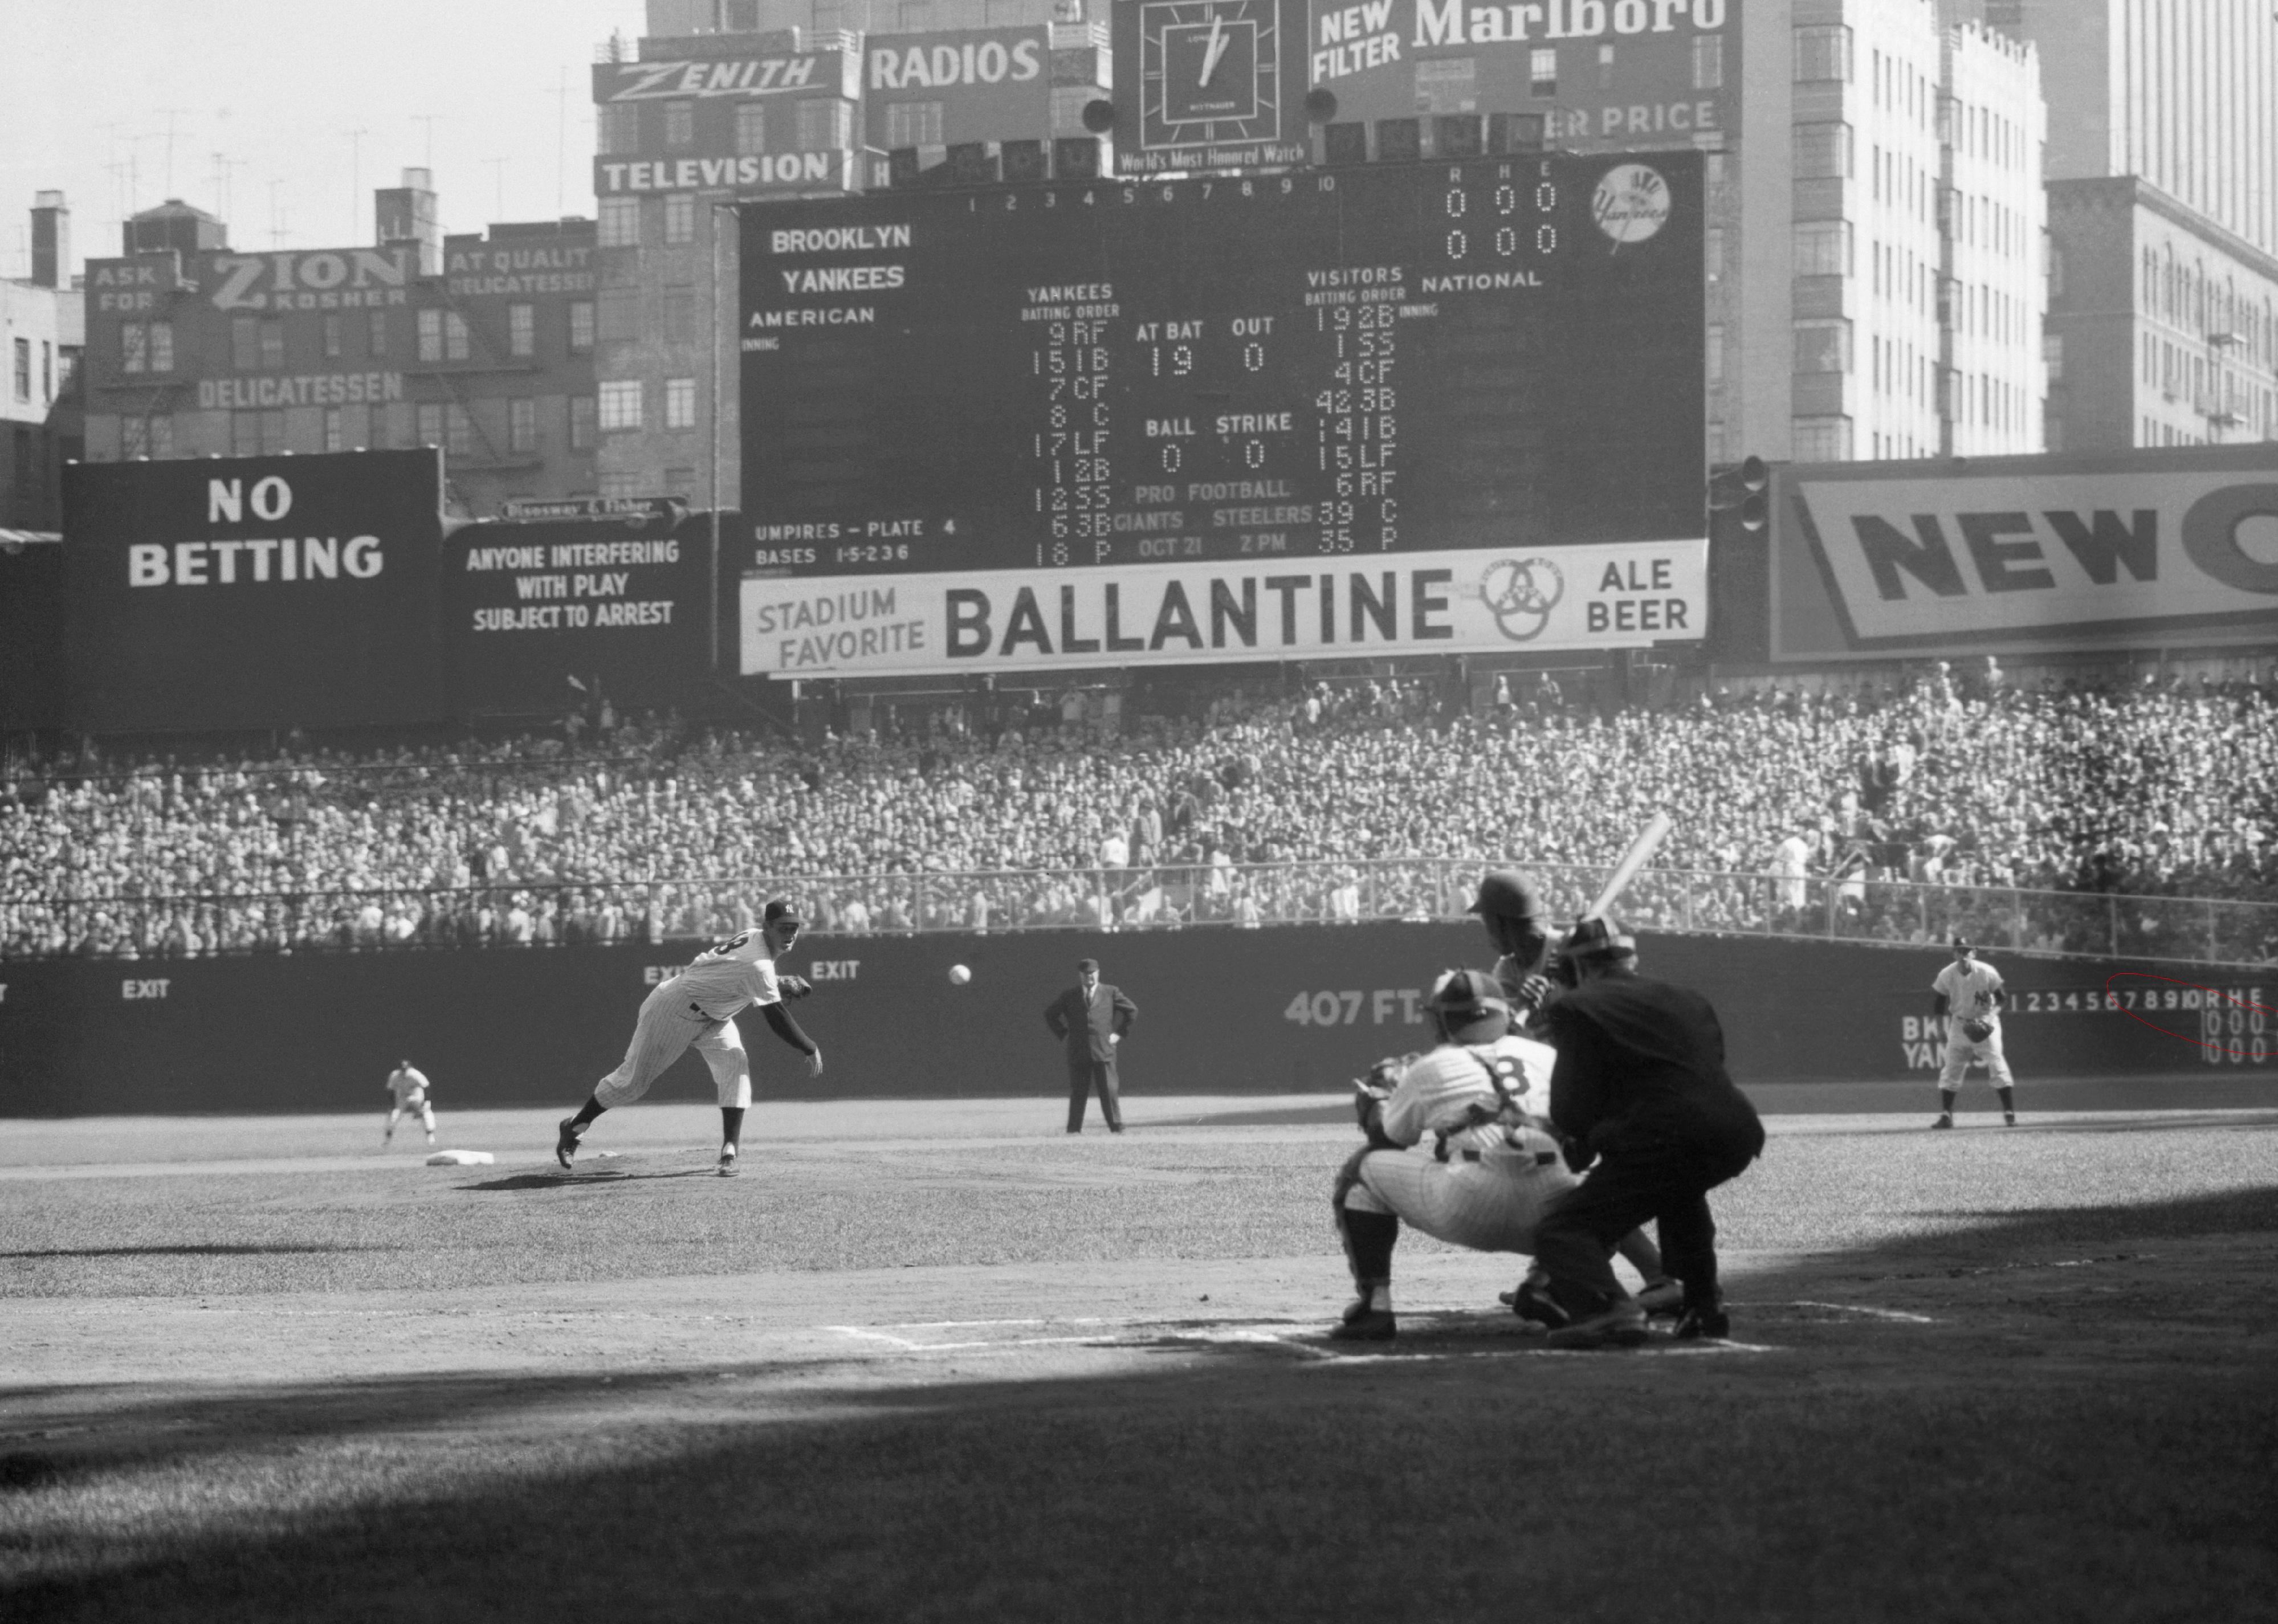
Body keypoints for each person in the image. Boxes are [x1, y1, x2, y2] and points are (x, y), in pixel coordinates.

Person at [1529, 917, 1766, 1349]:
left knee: (1562, 1231)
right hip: (1735, 1130)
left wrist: (1580, 1138)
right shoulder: (1688, 998)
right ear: (1630, 958)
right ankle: (1703, 1307)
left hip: (1663, 1134)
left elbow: (1571, 1109)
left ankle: (1610, 1310)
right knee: (1679, 1193)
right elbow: (1701, 1071)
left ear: (1574, 969)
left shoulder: (1575, 1007)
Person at [1464, 869, 1680, 1321]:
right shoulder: (1508, 970)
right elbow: (1499, 1040)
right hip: (1557, 1092)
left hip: (1604, 1084)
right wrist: (1521, 1008)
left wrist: (1570, 989)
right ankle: (1556, 1275)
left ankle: (1639, 1276)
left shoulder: (1571, 950)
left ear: (1505, 922)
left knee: (1565, 1185)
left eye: (1487, 920)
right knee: (1555, 1183)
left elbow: (1614, 1002)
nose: (1484, 931)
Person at [1329, 970, 1579, 1341]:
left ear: (1443, 1019)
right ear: (1503, 1014)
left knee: (1362, 1172)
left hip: (1467, 1205)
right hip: (1553, 1215)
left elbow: (1389, 1142)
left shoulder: (1430, 1065)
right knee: (1608, 1192)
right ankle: (1545, 1283)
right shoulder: (1547, 1056)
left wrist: (1378, 1103)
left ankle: (1375, 1306)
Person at [555, 899, 821, 1177]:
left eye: (795, 928)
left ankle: (730, 1150)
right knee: (632, 1083)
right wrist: (809, 1047)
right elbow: (776, 1016)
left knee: (735, 1063)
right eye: (783, 928)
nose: (790, 934)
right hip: (674, 1010)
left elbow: (730, 974)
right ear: (767, 926)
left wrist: (776, 984)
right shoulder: (758, 963)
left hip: (714, 1018)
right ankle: (575, 1127)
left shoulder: (755, 939)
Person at [1044, 957, 1136, 1134]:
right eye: (1086, 974)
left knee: (1109, 1092)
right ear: (1081, 975)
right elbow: (1050, 1014)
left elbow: (1132, 1011)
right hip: (1079, 1051)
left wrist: (1119, 1034)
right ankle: (1074, 1129)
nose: (1090, 977)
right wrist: (1064, 1034)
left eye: (1093, 973)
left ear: (1098, 973)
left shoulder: (1110, 992)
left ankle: (1116, 1127)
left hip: (1103, 1050)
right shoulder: (1070, 995)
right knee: (1079, 1092)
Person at [1930, 936, 2015, 1128]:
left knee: (1997, 1064)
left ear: (1974, 953)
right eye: (1959, 951)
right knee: (1951, 1068)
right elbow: (1939, 1003)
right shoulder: (1947, 974)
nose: (1963, 955)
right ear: (1954, 953)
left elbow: (2002, 999)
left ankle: (2009, 1113)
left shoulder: (1986, 972)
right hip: (1959, 1025)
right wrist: (1939, 1029)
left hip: (1986, 1023)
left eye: (1967, 951)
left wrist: (1989, 1017)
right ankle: (1946, 1115)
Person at [384, 1059, 435, 1149]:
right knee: (393, 1116)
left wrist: (427, 1102)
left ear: (410, 1068)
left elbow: (426, 1086)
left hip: (416, 1096)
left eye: (406, 1069)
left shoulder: (415, 1074)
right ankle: (387, 1141)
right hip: (402, 1099)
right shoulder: (395, 1076)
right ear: (400, 1069)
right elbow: (390, 1090)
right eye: (402, 1069)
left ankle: (431, 1139)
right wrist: (391, 1105)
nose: (404, 1071)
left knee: (427, 1114)